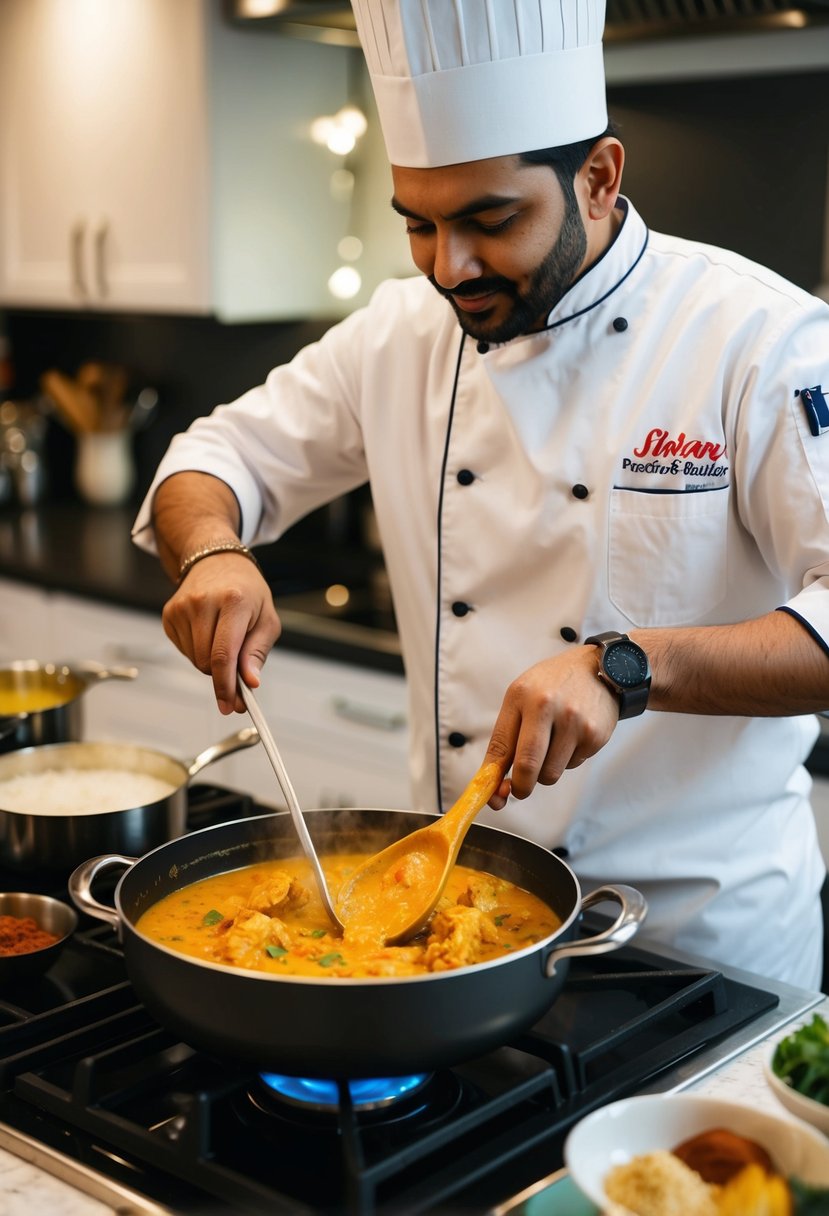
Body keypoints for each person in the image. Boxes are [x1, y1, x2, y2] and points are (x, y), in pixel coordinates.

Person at [133, 0, 829, 988]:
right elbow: (212, 462)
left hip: (699, 951)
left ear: (597, 179)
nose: (446, 266)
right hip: (461, 937)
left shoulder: (757, 340)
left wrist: (624, 667)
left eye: (488, 221)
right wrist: (212, 551)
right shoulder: (398, 334)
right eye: (416, 223)